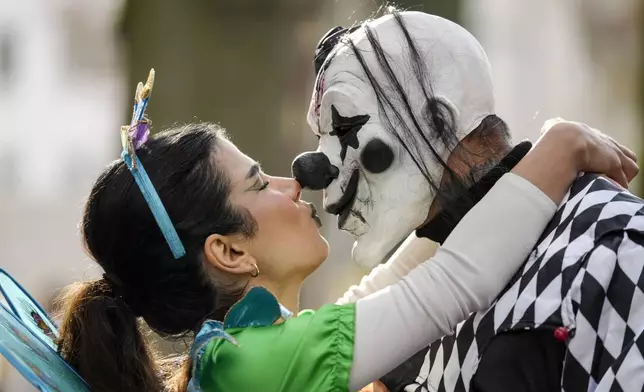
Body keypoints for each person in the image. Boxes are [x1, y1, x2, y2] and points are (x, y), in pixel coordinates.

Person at [53, 70, 637, 392]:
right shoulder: (254, 367)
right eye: (259, 185)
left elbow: (398, 282)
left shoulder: (245, 354)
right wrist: (561, 147)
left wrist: (478, 179)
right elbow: (453, 286)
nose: (293, 184)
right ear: (228, 251)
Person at [292, 9, 644, 392]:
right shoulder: (397, 324)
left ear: (438, 121)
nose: (316, 168)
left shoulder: (615, 245)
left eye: (343, 127)